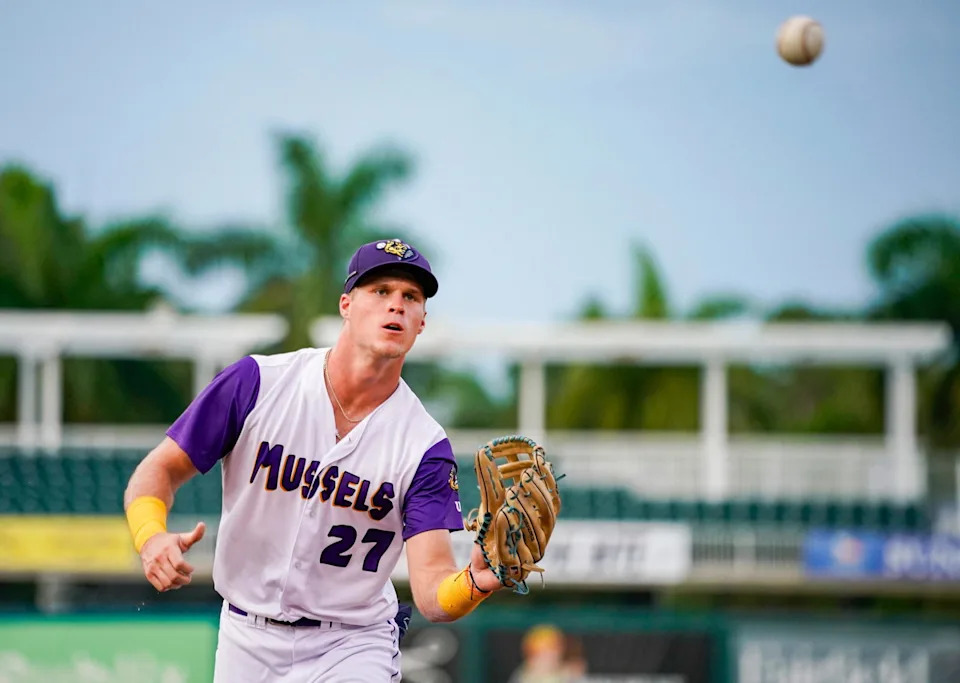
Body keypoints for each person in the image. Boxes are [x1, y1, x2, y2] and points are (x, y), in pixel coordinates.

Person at [123, 238, 502, 682]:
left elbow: (432, 590)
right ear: (346, 304)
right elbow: (158, 471)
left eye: (411, 297)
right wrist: (150, 537)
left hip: (351, 643)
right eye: (380, 291)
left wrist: (473, 582)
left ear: (421, 323)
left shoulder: (423, 446)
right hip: (246, 637)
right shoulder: (258, 383)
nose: (396, 306)